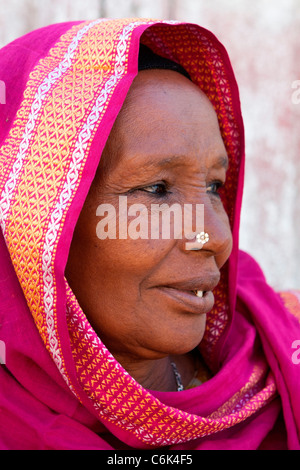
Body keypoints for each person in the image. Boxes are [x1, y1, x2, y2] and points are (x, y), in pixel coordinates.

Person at [0, 17, 299, 451]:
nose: (216, 239)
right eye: (157, 190)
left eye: (215, 187)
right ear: (36, 221)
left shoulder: (274, 358)